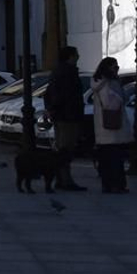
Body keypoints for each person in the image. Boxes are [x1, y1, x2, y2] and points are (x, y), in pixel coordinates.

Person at [44, 45, 87, 191]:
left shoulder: (57, 72)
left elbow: (50, 93)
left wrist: (51, 109)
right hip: (68, 116)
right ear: (71, 56)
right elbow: (64, 96)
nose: (79, 57)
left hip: (62, 115)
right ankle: (65, 180)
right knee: (66, 150)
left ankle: (62, 179)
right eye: (76, 54)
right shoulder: (67, 73)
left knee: (63, 148)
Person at [90, 56, 131, 194]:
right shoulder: (109, 83)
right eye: (115, 67)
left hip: (102, 126)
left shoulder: (98, 83)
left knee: (106, 159)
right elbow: (114, 101)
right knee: (116, 159)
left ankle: (108, 184)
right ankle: (117, 184)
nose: (117, 70)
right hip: (114, 124)